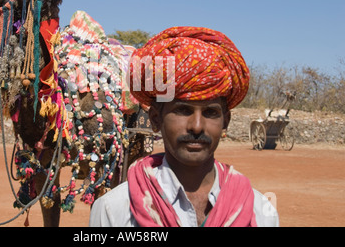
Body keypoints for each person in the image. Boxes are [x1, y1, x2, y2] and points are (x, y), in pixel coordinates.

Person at [88, 26, 279, 227]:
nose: (197, 127)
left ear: (226, 121)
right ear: (155, 119)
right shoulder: (115, 211)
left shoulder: (258, 212)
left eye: (210, 112)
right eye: (183, 110)